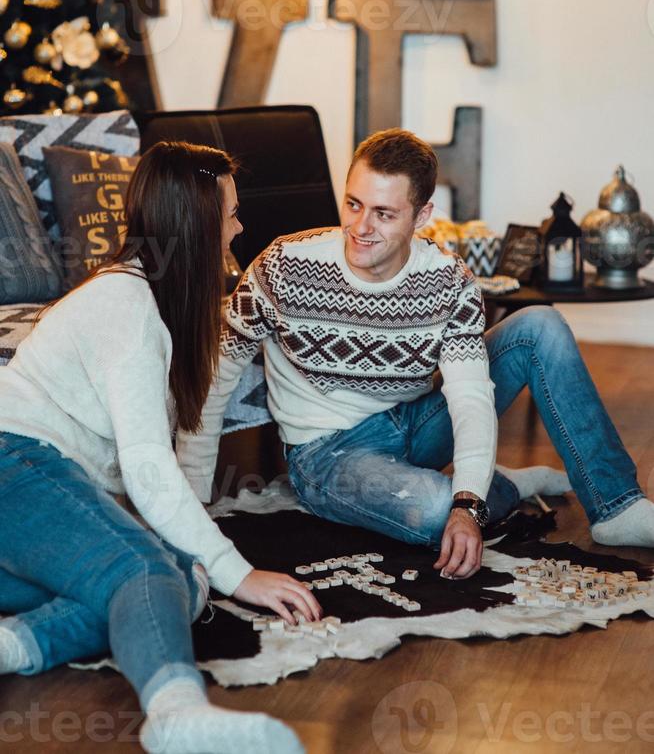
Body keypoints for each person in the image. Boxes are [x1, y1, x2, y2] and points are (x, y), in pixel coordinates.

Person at [179, 128, 654, 582]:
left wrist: (467, 506)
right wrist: (195, 506)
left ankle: (616, 506)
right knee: (433, 515)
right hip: (327, 452)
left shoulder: (449, 281)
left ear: (422, 216)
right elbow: (214, 382)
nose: (360, 228)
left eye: (384, 214)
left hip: (415, 422)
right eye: (353, 204)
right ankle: (501, 484)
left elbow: (469, 397)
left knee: (539, 325)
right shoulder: (283, 267)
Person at [0, 142, 318, 754]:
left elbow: (173, 454)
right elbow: (147, 468)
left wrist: (202, 560)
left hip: (33, 487)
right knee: (143, 572)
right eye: (229, 213)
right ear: (196, 223)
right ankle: (176, 717)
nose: (239, 226)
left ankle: (11, 646)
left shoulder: (163, 304)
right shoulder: (127, 305)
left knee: (173, 579)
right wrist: (240, 574)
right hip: (15, 461)